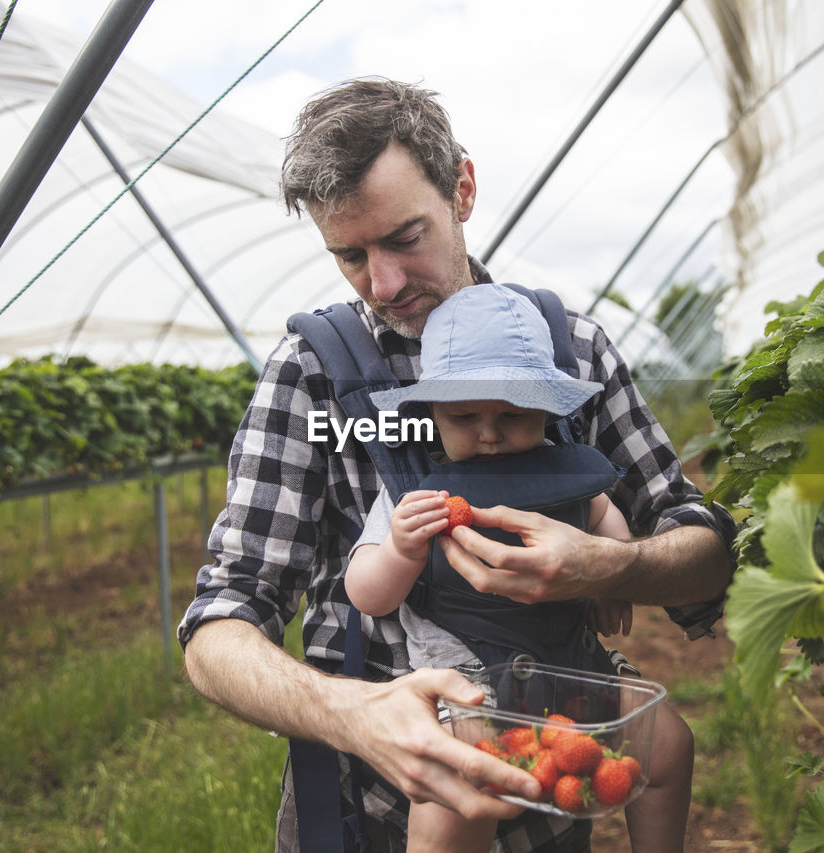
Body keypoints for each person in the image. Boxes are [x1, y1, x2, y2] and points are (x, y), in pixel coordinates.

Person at [179, 77, 736, 852]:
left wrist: (609, 566)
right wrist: (355, 714)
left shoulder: (569, 352)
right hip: (362, 810)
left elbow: (702, 549)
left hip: (547, 784)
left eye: (405, 238)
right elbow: (220, 622)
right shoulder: (314, 375)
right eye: (350, 256)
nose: (384, 284)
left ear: (462, 189)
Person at [347, 283, 695, 853]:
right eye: (464, 417)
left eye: (511, 415)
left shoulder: (573, 473)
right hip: (467, 681)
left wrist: (611, 571)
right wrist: (401, 551)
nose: (488, 432)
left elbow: (606, 521)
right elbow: (367, 595)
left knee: (670, 746)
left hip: (573, 665)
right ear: (430, 413)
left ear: (548, 406)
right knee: (461, 786)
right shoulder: (416, 496)